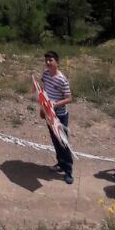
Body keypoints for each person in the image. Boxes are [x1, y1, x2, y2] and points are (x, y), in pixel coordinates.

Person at [41, 50, 74, 185]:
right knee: (55, 141)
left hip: (60, 115)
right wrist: (43, 108)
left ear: (57, 62)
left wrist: (55, 105)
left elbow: (69, 98)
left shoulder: (62, 79)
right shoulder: (45, 75)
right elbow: (43, 92)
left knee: (63, 142)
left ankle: (68, 171)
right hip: (49, 114)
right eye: (47, 60)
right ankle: (60, 163)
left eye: (51, 60)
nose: (48, 63)